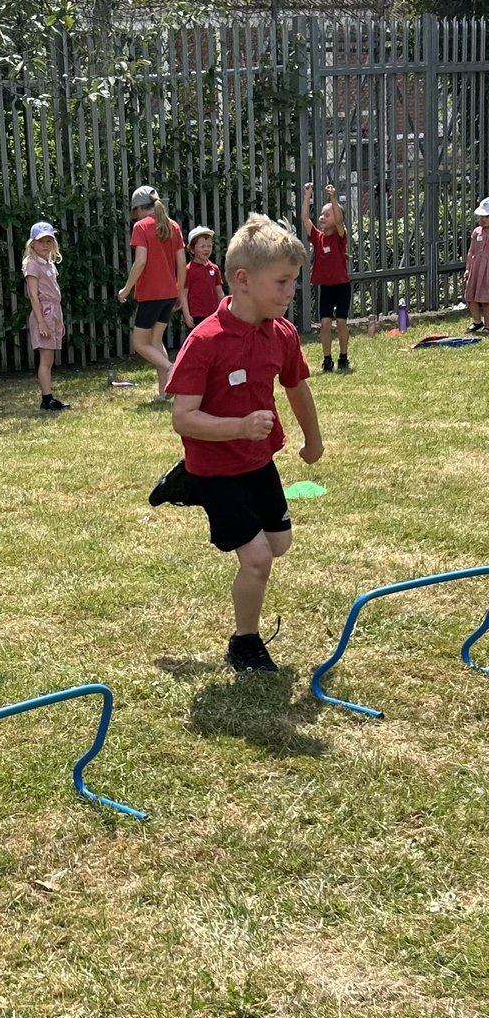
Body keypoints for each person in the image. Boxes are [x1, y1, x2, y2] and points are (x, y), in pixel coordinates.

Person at [156, 213, 323, 673]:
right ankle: (244, 643)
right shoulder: (205, 341)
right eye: (284, 282)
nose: (292, 292)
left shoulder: (281, 333)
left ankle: (182, 480)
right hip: (216, 465)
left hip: (256, 459)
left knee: (281, 542)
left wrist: (314, 438)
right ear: (243, 280)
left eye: (294, 282)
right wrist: (238, 427)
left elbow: (297, 387)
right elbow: (182, 418)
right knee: (258, 560)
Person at [117, 185, 187, 399]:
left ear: (138, 209)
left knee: (140, 343)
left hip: (151, 294)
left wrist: (126, 289)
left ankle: (172, 368)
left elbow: (140, 262)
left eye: (133, 212)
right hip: (168, 294)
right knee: (156, 341)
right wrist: (178, 293)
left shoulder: (141, 227)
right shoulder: (172, 226)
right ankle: (164, 392)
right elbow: (182, 263)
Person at [301, 182, 351, 372]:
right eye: (322, 214)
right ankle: (327, 359)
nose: (322, 217)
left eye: (327, 214)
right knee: (324, 323)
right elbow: (305, 218)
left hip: (342, 286)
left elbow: (339, 221)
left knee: (341, 322)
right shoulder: (317, 237)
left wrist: (333, 198)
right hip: (327, 287)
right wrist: (307, 196)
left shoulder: (340, 236)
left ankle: (343, 357)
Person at [22, 221, 70, 411]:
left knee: (49, 359)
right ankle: (47, 398)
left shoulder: (49, 263)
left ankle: (48, 396)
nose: (45, 245)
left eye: (49, 241)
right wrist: (41, 321)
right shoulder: (32, 265)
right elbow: (33, 295)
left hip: (53, 312)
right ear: (32, 244)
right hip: (44, 313)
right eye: (41, 241)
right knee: (46, 359)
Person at [184, 225, 225, 327]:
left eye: (209, 246)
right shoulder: (188, 270)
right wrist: (186, 315)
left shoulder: (214, 268)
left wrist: (223, 311)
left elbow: (219, 293)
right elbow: (184, 294)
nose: (206, 249)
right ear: (192, 250)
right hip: (197, 315)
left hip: (213, 314)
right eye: (202, 246)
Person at [463, 196, 489, 332]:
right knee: (470, 295)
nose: (483, 219)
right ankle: (477, 321)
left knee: (486, 298)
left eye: (487, 216)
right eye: (481, 216)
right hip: (476, 268)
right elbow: (471, 251)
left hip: (487, 270)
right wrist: (468, 269)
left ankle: (488, 325)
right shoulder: (476, 232)